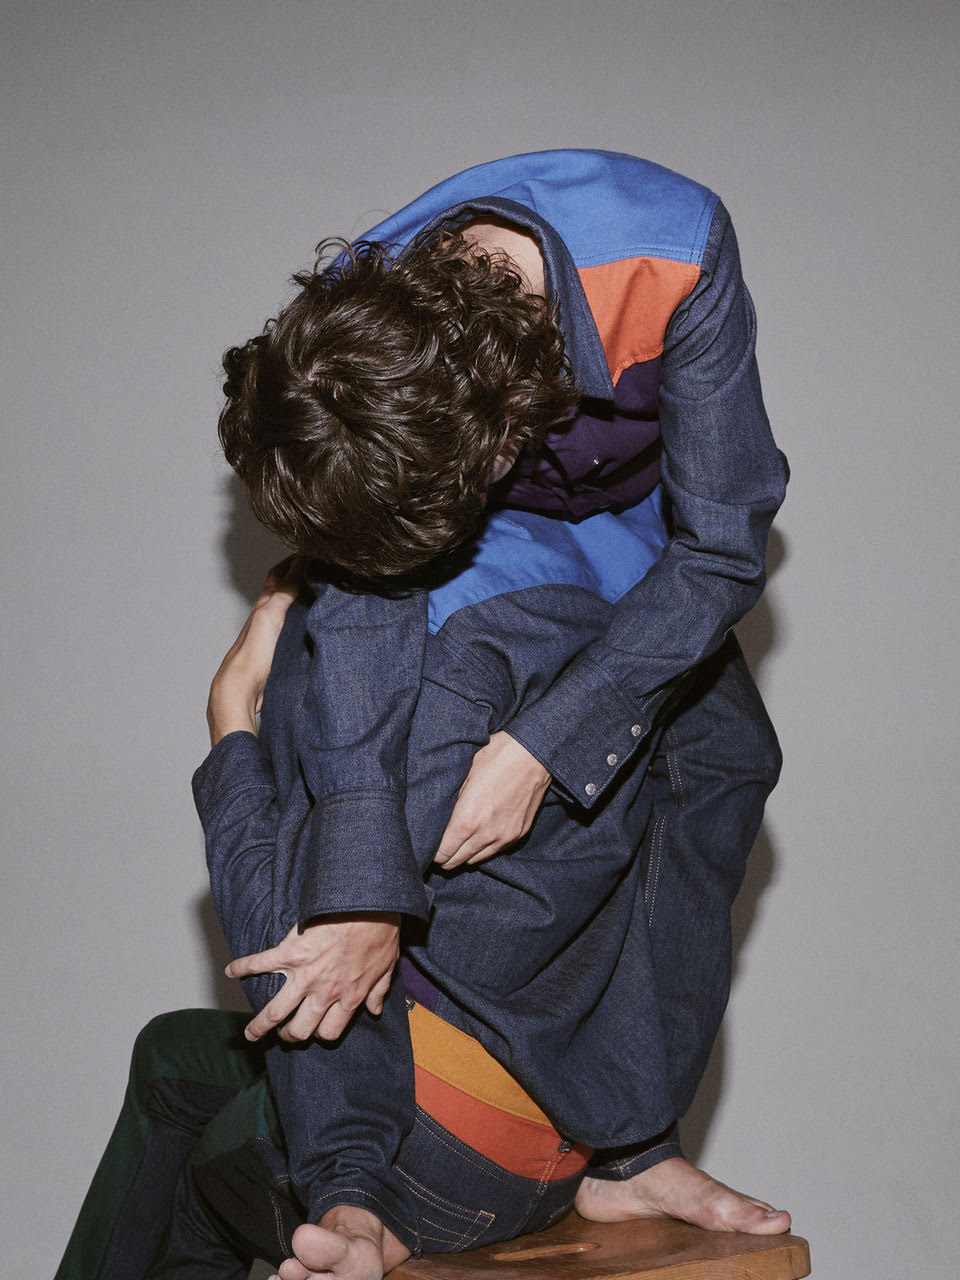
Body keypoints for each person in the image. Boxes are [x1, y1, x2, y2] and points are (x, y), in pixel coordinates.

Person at [214, 149, 788, 1221]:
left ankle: (631, 1148)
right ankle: (352, 1165)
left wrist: (543, 748)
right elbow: (370, 606)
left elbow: (721, 549)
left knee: (727, 757)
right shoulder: (354, 329)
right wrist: (361, 897)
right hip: (483, 542)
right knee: (355, 719)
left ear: (500, 447)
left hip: (653, 551)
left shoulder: (675, 254)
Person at [55, 541, 789, 1280]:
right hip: (576, 1126)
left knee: (194, 1188)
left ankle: (338, 1217)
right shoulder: (637, 606)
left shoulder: (383, 649)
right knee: (169, 1051)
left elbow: (290, 964)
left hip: (426, 1164)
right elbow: (727, 774)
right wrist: (640, 1142)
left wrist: (230, 712)